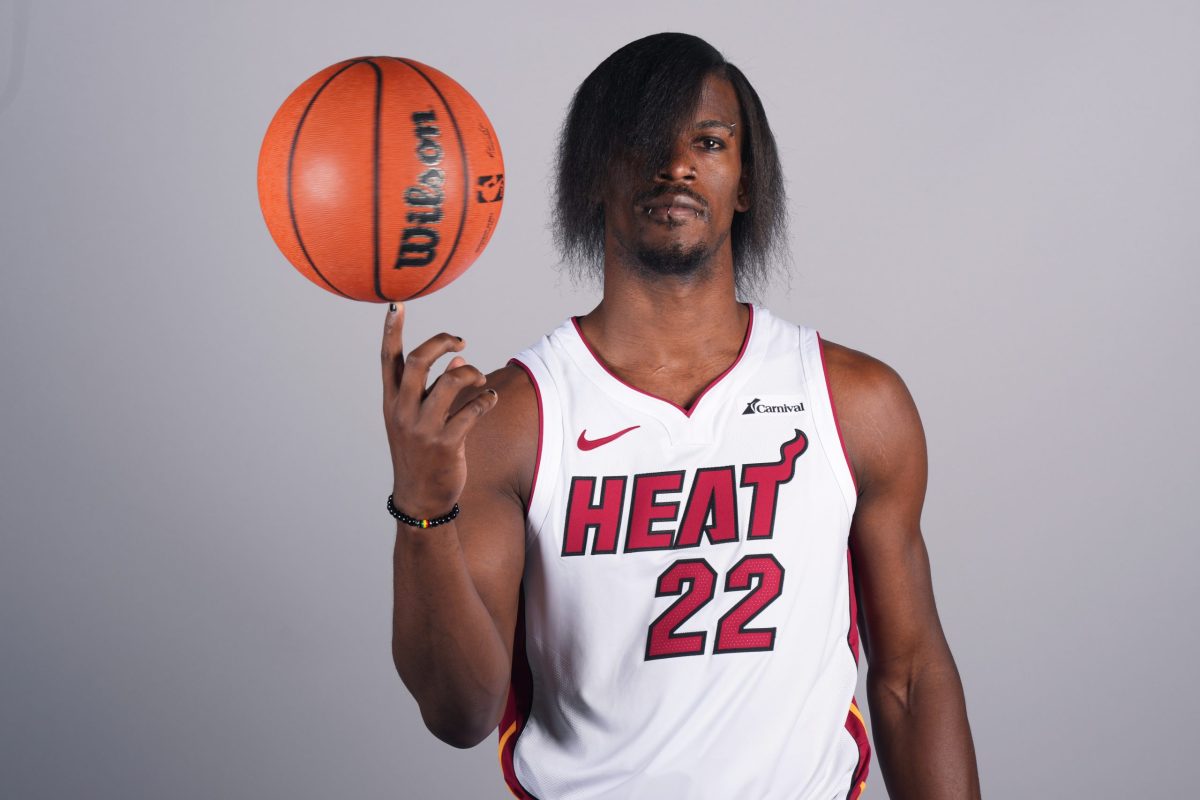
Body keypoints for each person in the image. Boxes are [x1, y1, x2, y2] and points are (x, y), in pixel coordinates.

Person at [382, 32, 980, 800]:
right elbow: (458, 712)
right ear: (594, 175)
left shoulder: (858, 403)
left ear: (745, 182)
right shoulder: (515, 419)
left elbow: (909, 676)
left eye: (708, 141)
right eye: (644, 143)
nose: (677, 167)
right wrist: (422, 508)